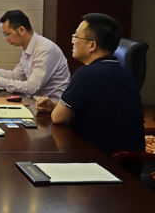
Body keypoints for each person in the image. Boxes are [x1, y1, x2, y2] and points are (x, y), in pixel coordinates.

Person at [36, 13, 144, 155]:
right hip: (131, 158)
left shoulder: (87, 73)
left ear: (92, 45)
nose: (72, 41)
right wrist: (54, 105)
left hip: (106, 160)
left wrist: (57, 109)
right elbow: (97, 111)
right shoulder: (123, 71)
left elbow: (58, 117)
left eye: (76, 36)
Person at [0, 10, 70, 99]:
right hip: (37, 101)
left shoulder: (44, 49)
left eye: (7, 34)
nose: (6, 39)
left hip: (53, 105)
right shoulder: (28, 47)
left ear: (21, 30)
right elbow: (16, 76)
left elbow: (32, 87)